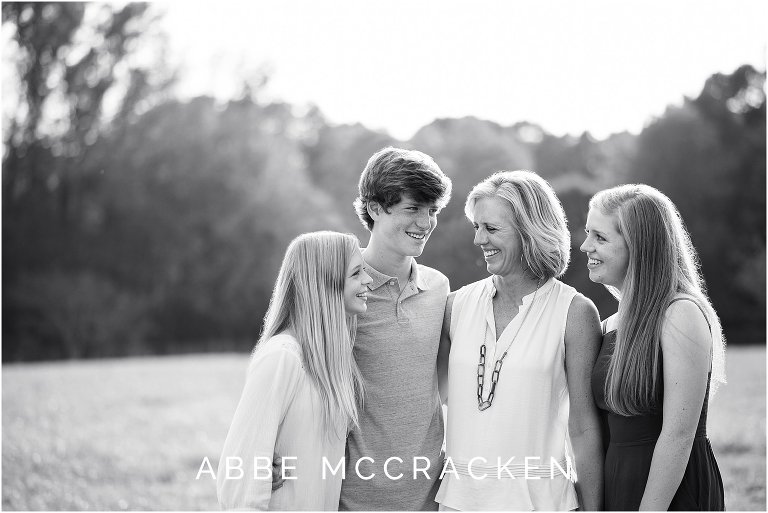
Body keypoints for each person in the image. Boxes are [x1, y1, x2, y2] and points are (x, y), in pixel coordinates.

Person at [435, 171, 603, 511]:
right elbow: (431, 406)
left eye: (491, 228)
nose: (478, 239)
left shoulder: (574, 313)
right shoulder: (454, 306)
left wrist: (593, 509)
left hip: (541, 502)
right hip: (458, 501)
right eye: (476, 227)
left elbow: (584, 428)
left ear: (530, 231)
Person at [581, 184, 726, 510]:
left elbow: (679, 435)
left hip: (669, 494)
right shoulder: (608, 324)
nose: (585, 246)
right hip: (618, 486)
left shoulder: (680, 313)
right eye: (588, 233)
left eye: (600, 237)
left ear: (639, 246)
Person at [217, 231, 372, 510]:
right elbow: (239, 474)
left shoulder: (330, 363)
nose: (368, 280)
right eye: (356, 273)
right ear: (324, 283)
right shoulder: (282, 356)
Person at [339, 146, 453, 510]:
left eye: (432, 210)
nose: (425, 222)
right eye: (413, 208)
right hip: (353, 498)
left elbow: (443, 386)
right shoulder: (339, 288)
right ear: (375, 208)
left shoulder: (439, 288)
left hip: (430, 498)